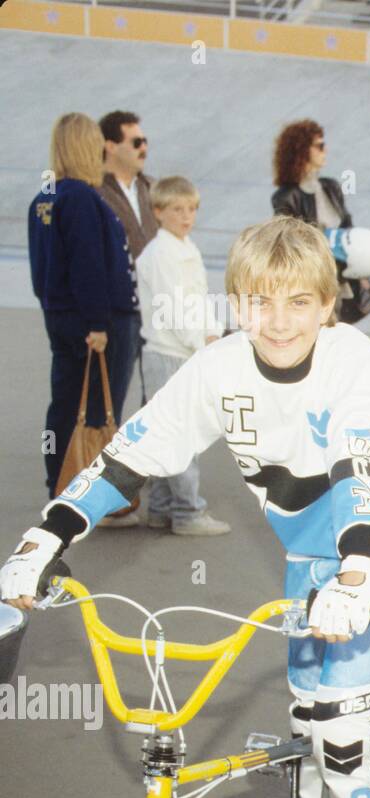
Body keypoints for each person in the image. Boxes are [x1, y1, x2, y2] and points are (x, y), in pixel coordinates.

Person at [1, 216, 370, 798]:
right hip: (309, 559)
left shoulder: (351, 358)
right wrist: (43, 540)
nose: (280, 321)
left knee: (343, 722)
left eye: (299, 302)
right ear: (236, 305)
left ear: (328, 306)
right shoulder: (218, 370)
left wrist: (357, 572)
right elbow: (127, 460)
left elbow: (358, 473)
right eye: (260, 301)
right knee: (304, 713)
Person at [27, 113, 137, 510]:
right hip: (90, 321)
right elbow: (87, 263)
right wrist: (96, 323)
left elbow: (44, 267)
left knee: (65, 402)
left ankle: (58, 480)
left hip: (59, 316)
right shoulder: (82, 197)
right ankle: (84, 491)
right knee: (94, 410)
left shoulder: (46, 195)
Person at [134, 175, 230, 536]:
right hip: (170, 354)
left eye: (191, 209)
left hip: (184, 350)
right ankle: (188, 512)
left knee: (164, 431)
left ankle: (161, 508)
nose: (186, 216)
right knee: (180, 434)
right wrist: (202, 341)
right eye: (177, 209)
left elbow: (198, 297)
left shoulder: (185, 247)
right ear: (158, 212)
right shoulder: (160, 254)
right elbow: (170, 307)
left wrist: (213, 331)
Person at [271, 120, 370, 325]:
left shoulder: (331, 187)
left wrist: (359, 266)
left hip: (340, 272)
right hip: (313, 276)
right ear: (302, 150)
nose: (325, 150)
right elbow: (289, 240)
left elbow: (346, 225)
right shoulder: (286, 196)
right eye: (319, 146)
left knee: (337, 331)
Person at [98, 110, 158, 382]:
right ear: (110, 146)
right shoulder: (95, 192)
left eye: (145, 141)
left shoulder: (153, 188)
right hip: (119, 310)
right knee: (112, 387)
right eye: (136, 142)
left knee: (158, 393)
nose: (143, 148)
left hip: (156, 306)